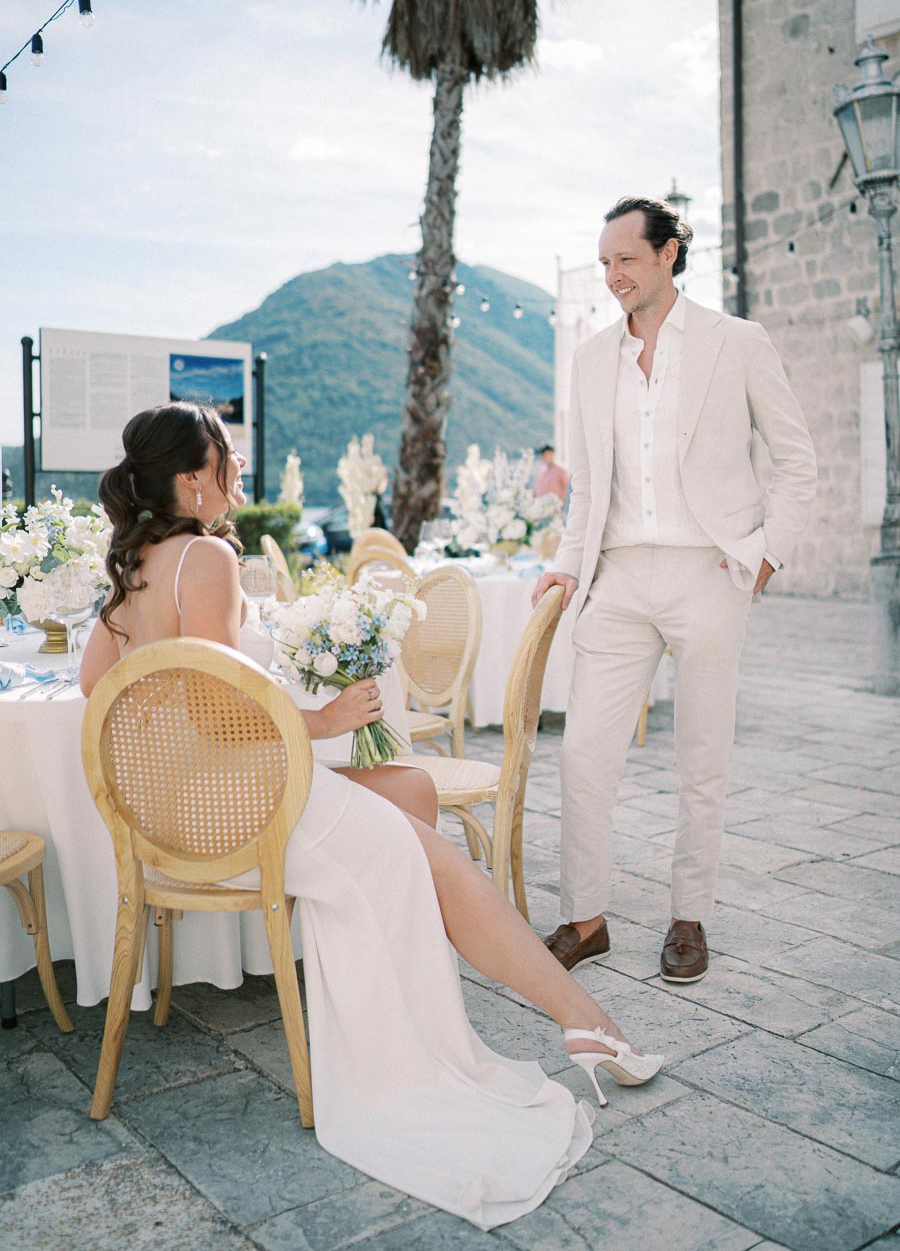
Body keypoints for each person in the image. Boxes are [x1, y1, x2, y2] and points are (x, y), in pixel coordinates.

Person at [81, 401, 664, 1231]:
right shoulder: (204, 557)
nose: (238, 464)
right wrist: (321, 722)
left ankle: (444, 1004)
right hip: (244, 805)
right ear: (191, 478)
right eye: (226, 454)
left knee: (410, 798)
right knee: (433, 858)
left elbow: (91, 690)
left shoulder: (136, 565)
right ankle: (586, 1022)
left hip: (178, 811)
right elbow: (220, 713)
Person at [533, 196, 817, 985]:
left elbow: (797, 462)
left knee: (703, 757)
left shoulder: (738, 343)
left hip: (710, 571)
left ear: (667, 255)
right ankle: (586, 919)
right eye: (604, 263)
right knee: (585, 753)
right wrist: (566, 563)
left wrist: (763, 558)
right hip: (619, 576)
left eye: (625, 258)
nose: (612, 275)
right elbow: (585, 488)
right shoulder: (591, 360)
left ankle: (689, 916)